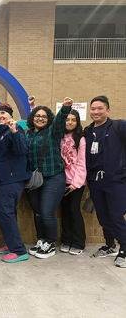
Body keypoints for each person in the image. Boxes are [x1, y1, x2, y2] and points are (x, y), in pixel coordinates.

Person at [26, 96, 73, 259]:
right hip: (34, 180)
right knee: (37, 212)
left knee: (46, 212)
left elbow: (60, 121)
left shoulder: (53, 132)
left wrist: (65, 108)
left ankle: (50, 243)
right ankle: (41, 240)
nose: (40, 119)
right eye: (37, 116)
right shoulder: (29, 134)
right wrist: (33, 107)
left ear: (49, 120)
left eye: (44, 117)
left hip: (53, 178)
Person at [84, 95, 126, 268]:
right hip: (95, 181)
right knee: (103, 216)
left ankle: (124, 248)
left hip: (116, 180)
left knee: (116, 216)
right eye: (93, 109)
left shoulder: (119, 126)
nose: (96, 112)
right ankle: (110, 245)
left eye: (100, 108)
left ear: (107, 110)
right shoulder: (88, 131)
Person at [0, 103, 32, 263]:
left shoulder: (15, 129)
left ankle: (18, 250)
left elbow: (22, 150)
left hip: (12, 179)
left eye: (3, 113)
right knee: (9, 213)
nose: (0, 116)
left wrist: (15, 131)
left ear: (10, 115)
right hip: (3, 179)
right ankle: (10, 243)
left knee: (6, 213)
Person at [59, 109, 87, 255]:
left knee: (74, 211)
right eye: (67, 119)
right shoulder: (61, 136)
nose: (69, 122)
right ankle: (66, 240)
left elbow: (82, 163)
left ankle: (78, 242)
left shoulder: (80, 139)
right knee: (64, 211)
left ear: (77, 122)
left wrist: (76, 184)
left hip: (75, 183)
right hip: (61, 182)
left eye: (73, 120)